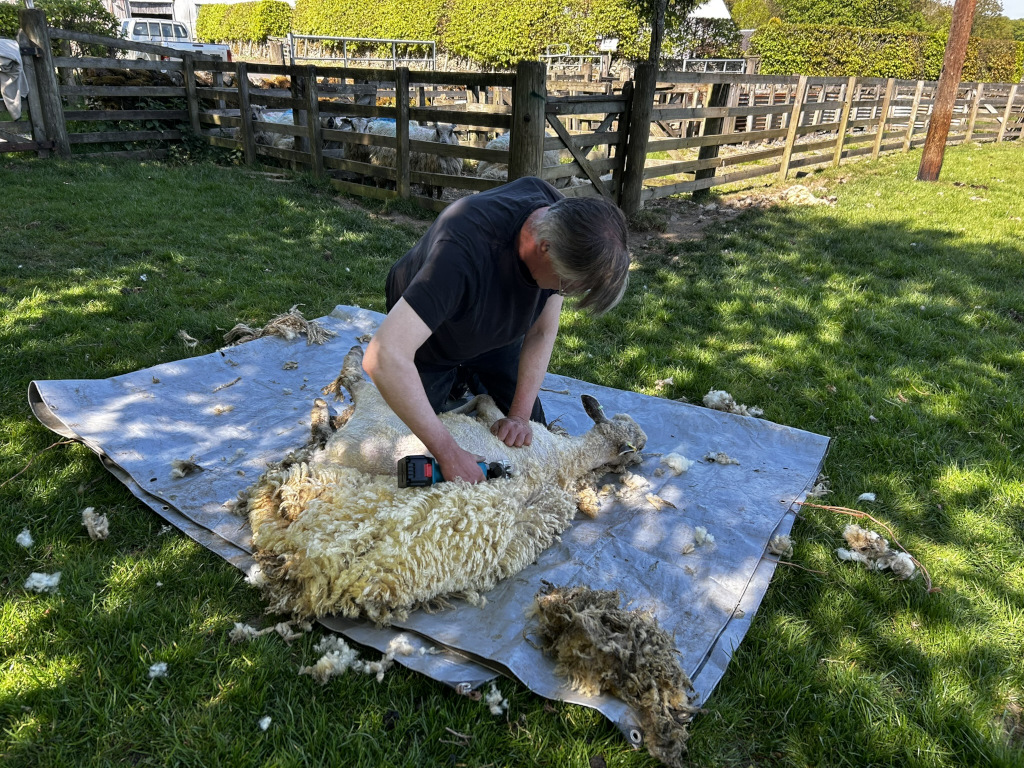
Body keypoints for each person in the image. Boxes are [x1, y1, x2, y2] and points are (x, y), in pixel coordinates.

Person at [362, 176, 629, 483]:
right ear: (545, 247)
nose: (563, 293)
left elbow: (542, 331)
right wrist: (448, 453)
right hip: (433, 333)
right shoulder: (462, 251)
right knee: (402, 445)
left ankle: (472, 373)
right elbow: (384, 356)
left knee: (533, 439)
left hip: (497, 329)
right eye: (565, 286)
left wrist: (519, 415)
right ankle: (455, 374)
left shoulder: (567, 220)